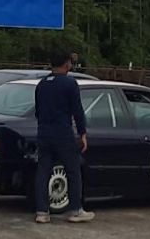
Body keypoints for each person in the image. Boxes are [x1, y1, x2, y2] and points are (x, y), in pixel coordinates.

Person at [32, 51, 94, 224]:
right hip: (62, 133)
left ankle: (42, 212)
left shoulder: (42, 84)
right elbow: (77, 110)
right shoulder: (69, 83)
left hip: (43, 132)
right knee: (73, 170)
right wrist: (82, 133)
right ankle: (75, 210)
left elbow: (38, 111)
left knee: (43, 171)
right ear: (66, 64)